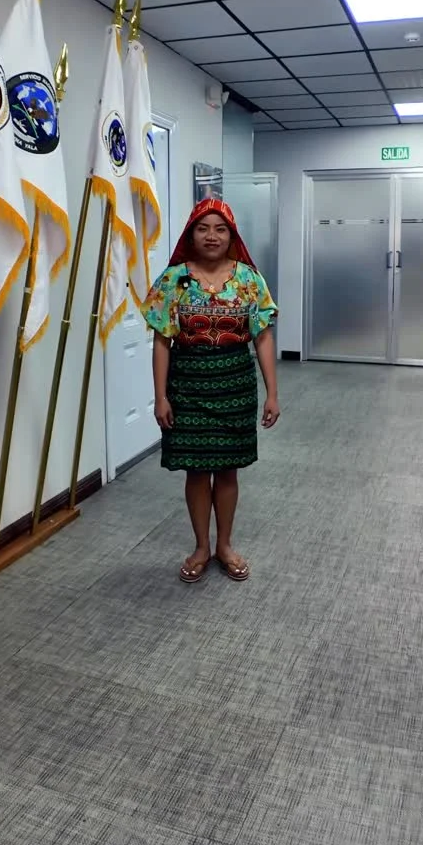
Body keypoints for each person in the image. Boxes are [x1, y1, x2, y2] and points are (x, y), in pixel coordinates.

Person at [140, 198, 280, 584]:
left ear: (231, 235)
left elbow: (263, 337)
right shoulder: (174, 280)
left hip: (235, 383)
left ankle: (225, 545)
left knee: (228, 470)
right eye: (203, 228)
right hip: (187, 384)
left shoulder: (249, 279)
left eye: (220, 229)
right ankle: (202, 546)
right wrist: (160, 397)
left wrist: (272, 392)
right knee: (197, 470)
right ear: (191, 234)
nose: (212, 236)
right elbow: (161, 341)